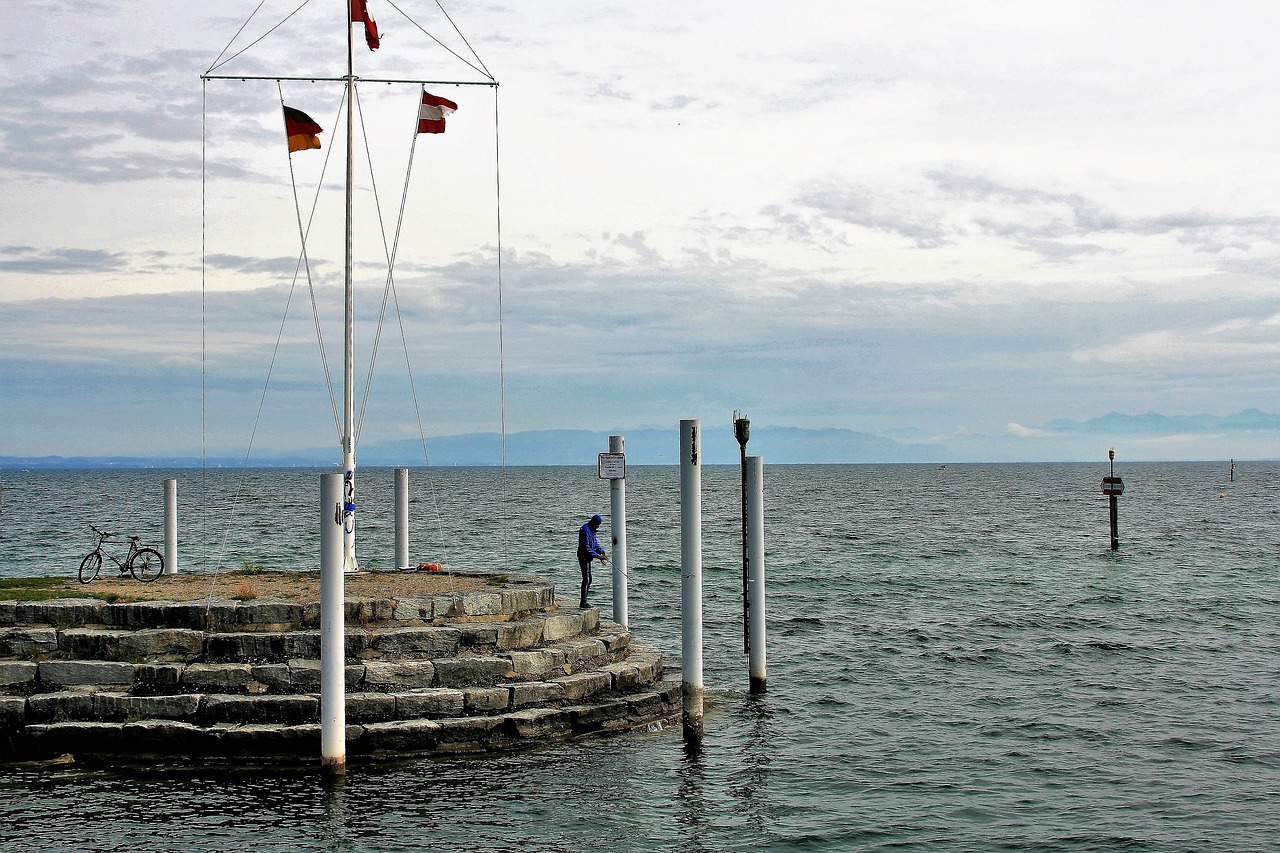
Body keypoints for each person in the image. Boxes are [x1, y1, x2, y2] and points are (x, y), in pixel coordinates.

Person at [576, 513, 608, 608]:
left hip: (589, 557)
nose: (598, 527)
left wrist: (602, 551)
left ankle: (584, 600)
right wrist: (598, 556)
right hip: (584, 557)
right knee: (586, 579)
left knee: (589, 579)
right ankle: (583, 602)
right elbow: (586, 548)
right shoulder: (585, 530)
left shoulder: (592, 530)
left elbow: (595, 544)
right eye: (597, 525)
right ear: (594, 523)